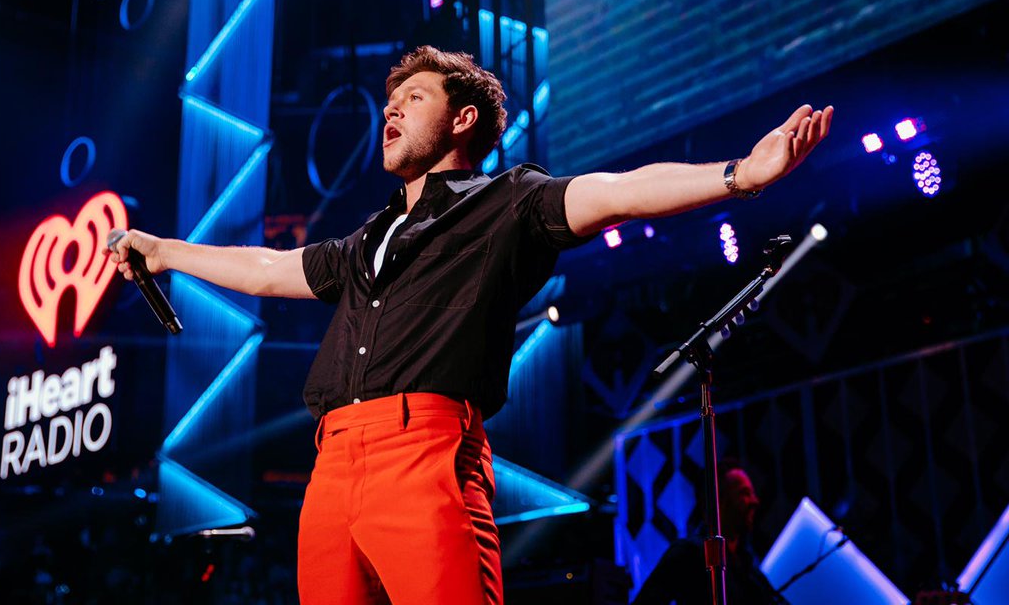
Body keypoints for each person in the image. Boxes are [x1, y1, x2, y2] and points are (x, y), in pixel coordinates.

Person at [106, 47, 833, 605]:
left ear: (462, 120)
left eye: (412, 98)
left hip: (425, 456)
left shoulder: (509, 201)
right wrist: (165, 252)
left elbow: (617, 194)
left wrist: (743, 174)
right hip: (331, 466)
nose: (388, 111)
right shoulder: (369, 237)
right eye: (388, 101)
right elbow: (269, 270)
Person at [632, 458, 787, 605]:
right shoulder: (689, 553)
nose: (755, 501)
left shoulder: (748, 566)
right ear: (719, 502)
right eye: (744, 493)